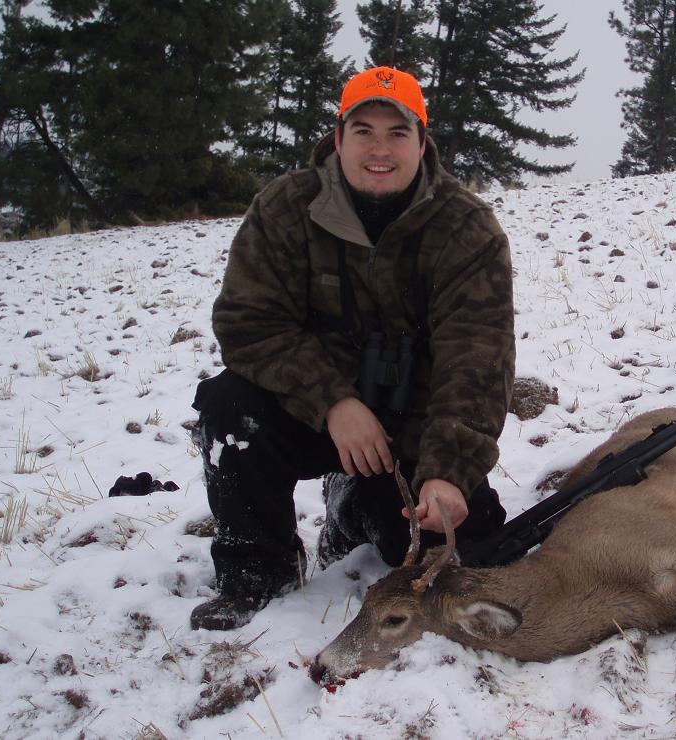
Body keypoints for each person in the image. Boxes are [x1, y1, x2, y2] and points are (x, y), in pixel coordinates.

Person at [189, 66, 515, 631]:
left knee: (459, 556)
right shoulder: (286, 208)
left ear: (422, 141)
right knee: (229, 407)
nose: (379, 149)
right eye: (363, 131)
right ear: (338, 139)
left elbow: (478, 360)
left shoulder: (468, 228)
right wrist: (333, 402)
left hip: (417, 425)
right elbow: (248, 325)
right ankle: (258, 574)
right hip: (315, 415)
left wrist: (449, 472)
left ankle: (354, 511)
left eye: (398, 133)